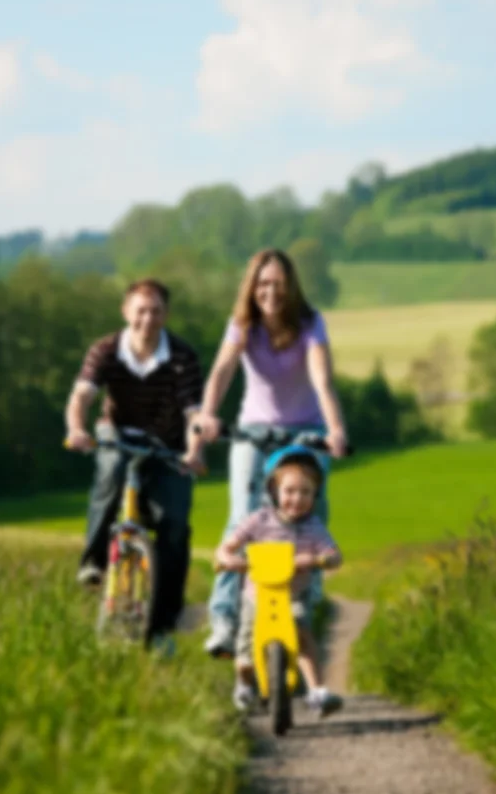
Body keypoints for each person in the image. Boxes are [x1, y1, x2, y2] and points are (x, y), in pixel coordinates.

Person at [196, 248, 348, 657]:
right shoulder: (242, 324)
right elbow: (222, 372)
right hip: (254, 429)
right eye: (263, 284)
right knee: (242, 518)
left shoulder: (310, 323)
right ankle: (225, 620)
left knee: (310, 516)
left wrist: (335, 430)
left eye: (279, 284)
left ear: (291, 286)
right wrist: (208, 414)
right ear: (252, 287)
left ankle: (306, 606)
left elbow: (322, 380)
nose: (271, 292)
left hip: (307, 430)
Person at [64, 278, 205, 648]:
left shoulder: (182, 356)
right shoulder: (106, 350)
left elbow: (194, 413)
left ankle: (165, 621)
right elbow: (81, 396)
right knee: (111, 471)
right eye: (140, 310)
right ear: (126, 312)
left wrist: (194, 451)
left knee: (174, 524)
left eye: (156, 311)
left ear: (166, 314)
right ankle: (93, 562)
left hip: (168, 444)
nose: (147, 319)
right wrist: (77, 428)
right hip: (118, 434)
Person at [216, 447, 344, 716]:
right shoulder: (258, 520)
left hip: (294, 596)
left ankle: (316, 691)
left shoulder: (314, 527)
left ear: (315, 495)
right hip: (257, 597)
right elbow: (229, 545)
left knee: (303, 635)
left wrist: (320, 559)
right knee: (246, 653)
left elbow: (334, 554)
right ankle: (244, 685)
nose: (297, 499)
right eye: (289, 491)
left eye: (306, 492)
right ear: (273, 490)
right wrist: (227, 558)